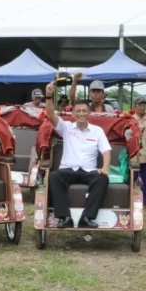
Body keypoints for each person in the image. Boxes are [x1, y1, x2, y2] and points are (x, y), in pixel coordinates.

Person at [45, 81, 111, 228]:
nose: (81, 114)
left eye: (84, 111)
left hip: (89, 171)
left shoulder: (97, 131)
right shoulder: (66, 127)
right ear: (73, 113)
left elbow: (106, 151)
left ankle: (86, 218)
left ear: (89, 113)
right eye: (78, 111)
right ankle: (64, 217)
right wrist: (48, 97)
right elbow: (50, 116)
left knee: (102, 179)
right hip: (68, 169)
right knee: (54, 176)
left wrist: (105, 168)